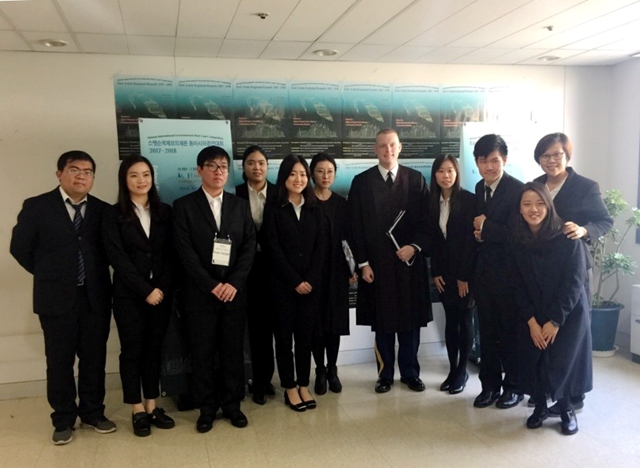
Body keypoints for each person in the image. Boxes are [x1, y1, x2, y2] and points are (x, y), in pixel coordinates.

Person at [10, 151, 116, 445]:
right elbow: (20, 248)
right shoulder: (37, 206)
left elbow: (111, 251)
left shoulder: (103, 210)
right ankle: (63, 418)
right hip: (55, 299)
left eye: (88, 171)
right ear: (59, 174)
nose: (81, 176)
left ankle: (93, 413)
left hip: (94, 298)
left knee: (94, 359)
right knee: (59, 362)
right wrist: (49, 274)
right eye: (74, 169)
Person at [173, 145, 256, 432]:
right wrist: (211, 285)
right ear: (199, 170)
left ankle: (232, 405)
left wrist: (233, 283)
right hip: (200, 294)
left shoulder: (239, 206)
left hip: (233, 294)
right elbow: (184, 252)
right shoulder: (183, 206)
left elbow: (249, 247)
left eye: (223, 166)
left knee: (233, 352)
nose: (218, 171)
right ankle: (206, 408)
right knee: (202, 353)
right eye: (212, 166)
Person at [532, 132, 613, 414]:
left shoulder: (585, 186)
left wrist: (584, 230)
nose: (551, 160)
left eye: (557, 154)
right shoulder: (536, 185)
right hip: (541, 269)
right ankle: (549, 388)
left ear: (567, 155)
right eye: (545, 155)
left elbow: (604, 221)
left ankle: (574, 397)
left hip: (573, 268)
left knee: (573, 334)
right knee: (546, 330)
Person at [348, 128, 432, 394]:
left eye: (392, 145)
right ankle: (384, 374)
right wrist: (363, 264)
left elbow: (427, 221)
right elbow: (355, 226)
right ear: (375, 149)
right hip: (377, 266)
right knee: (382, 322)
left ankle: (410, 373)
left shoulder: (416, 180)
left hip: (408, 262)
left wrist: (414, 247)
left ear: (400, 147)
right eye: (382, 145)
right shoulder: (362, 182)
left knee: (410, 321)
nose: (388, 150)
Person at [511, 182, 592, 436]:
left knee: (562, 360)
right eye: (527, 204)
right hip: (534, 311)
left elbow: (574, 282)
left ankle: (566, 409)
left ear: (548, 206)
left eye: (539, 203)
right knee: (534, 358)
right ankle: (539, 407)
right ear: (520, 209)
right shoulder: (518, 239)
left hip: (567, 312)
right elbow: (516, 282)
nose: (533, 209)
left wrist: (555, 320)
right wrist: (531, 320)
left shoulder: (567, 237)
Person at [102, 155, 175, 437]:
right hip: (129, 296)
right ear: (124, 179)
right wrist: (145, 290)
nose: (141, 180)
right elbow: (116, 257)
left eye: (145, 174)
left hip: (161, 295)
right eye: (134, 175)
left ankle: (152, 404)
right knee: (132, 351)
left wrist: (160, 289)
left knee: (154, 350)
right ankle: (136, 408)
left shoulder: (165, 212)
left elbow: (171, 255)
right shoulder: (112, 214)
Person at [263, 154, 326, 411]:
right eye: (292, 174)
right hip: (283, 287)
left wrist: (309, 279)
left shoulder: (314, 208)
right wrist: (294, 280)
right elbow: (272, 248)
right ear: (284, 178)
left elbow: (321, 247)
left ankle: (303, 384)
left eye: (302, 174)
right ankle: (289, 386)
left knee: (304, 339)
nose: (298, 179)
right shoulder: (274, 208)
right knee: (284, 339)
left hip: (310, 288)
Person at [472, 134, 524, 409]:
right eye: (483, 161)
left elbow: (518, 235)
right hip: (484, 277)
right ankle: (489, 386)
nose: (489, 167)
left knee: (509, 334)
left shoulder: (518, 190)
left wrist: (486, 228)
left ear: (504, 159)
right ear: (477, 163)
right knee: (487, 334)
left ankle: (514, 387)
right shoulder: (479, 187)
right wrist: (481, 233)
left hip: (509, 276)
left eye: (494, 160)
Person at [428, 155, 477, 394]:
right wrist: (436, 271)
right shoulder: (432, 202)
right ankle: (452, 369)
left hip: (465, 273)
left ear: (457, 173)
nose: (445, 176)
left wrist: (464, 276)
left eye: (450, 171)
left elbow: (471, 242)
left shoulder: (469, 200)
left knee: (465, 319)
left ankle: (462, 371)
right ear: (435, 174)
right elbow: (434, 241)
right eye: (440, 171)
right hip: (444, 273)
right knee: (451, 321)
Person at [310, 153, 356, 395]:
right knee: (317, 324)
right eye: (320, 171)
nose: (325, 176)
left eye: (329, 171)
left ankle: (332, 369)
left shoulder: (342, 204)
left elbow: (349, 240)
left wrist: (351, 269)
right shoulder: (305, 201)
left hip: (337, 273)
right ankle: (319, 369)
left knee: (335, 324)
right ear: (312, 173)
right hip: (313, 274)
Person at [235, 145, 277, 405]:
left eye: (261, 162)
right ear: (244, 167)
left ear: (267, 166)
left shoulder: (280, 193)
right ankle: (256, 381)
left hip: (275, 269)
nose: (257, 167)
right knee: (253, 327)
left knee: (270, 327)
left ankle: (266, 379)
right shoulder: (235, 194)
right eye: (251, 163)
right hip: (246, 269)